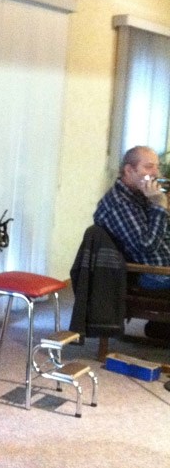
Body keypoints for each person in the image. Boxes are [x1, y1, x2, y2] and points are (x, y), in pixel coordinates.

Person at [93, 145, 170, 343]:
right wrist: (159, 207)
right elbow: (146, 246)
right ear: (129, 170)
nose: (156, 173)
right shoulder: (119, 203)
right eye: (149, 167)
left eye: (157, 167)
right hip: (152, 274)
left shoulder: (141, 195)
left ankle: (160, 328)